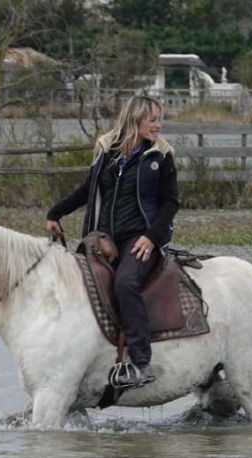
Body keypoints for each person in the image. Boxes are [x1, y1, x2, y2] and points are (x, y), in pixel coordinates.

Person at [46, 95, 178, 388]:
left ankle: (141, 363)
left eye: (159, 119)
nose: (158, 125)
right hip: (103, 239)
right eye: (152, 119)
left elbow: (170, 203)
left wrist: (151, 237)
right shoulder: (107, 149)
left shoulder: (161, 154)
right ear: (135, 119)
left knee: (125, 283)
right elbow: (88, 190)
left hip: (140, 239)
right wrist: (56, 212)